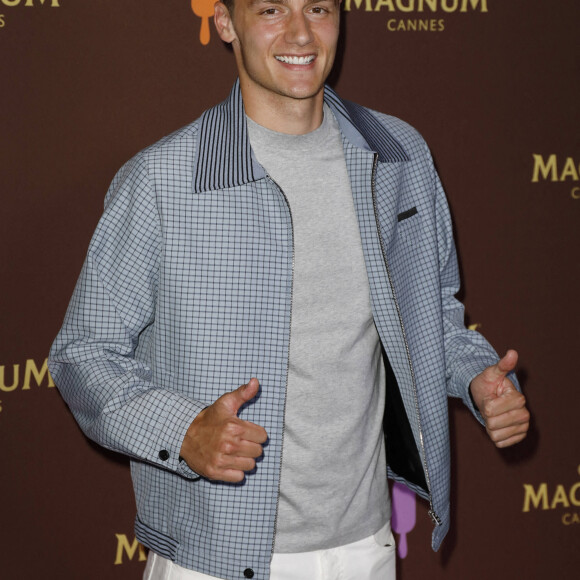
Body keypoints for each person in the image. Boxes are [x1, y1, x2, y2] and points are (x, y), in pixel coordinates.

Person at [48, 0, 530, 579]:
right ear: (226, 23)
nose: (301, 33)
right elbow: (84, 354)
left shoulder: (399, 156)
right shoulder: (162, 181)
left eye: (319, 8)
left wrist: (479, 377)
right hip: (216, 558)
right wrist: (182, 431)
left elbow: (434, 316)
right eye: (271, 9)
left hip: (365, 545)